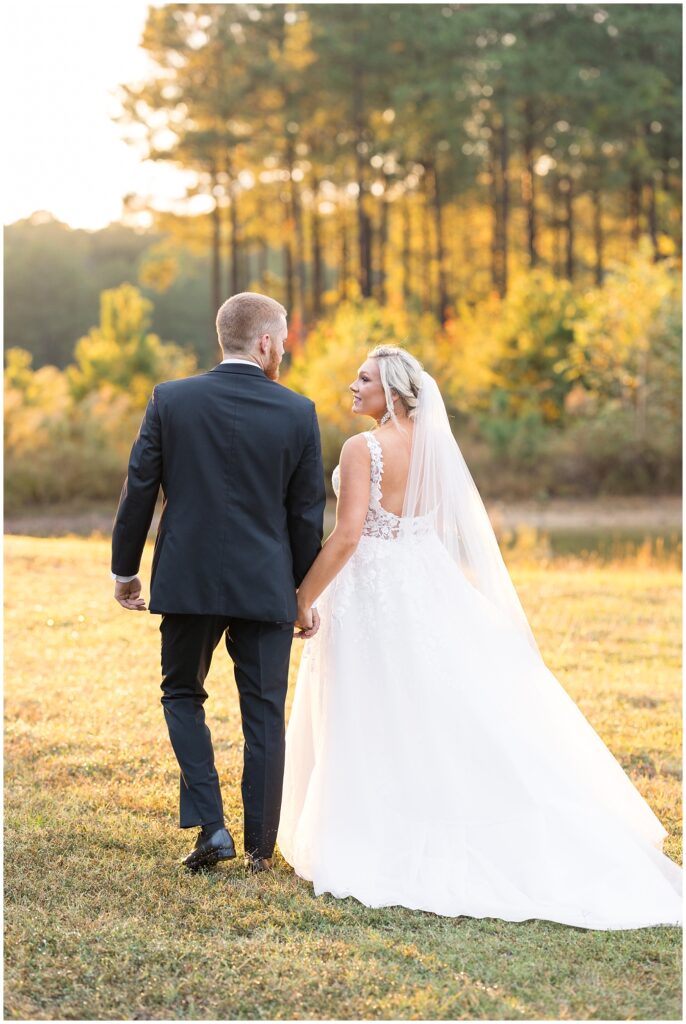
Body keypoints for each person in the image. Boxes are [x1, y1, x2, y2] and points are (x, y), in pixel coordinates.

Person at [277, 345, 682, 929]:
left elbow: (345, 538)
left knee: (370, 706)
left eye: (362, 379)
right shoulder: (436, 446)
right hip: (425, 580)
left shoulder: (362, 448)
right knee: (433, 708)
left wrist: (302, 599)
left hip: (372, 587)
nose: (351, 386)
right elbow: (436, 526)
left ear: (391, 391)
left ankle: (375, 834)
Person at [111, 292, 326, 873]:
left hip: (188, 578)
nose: (283, 348)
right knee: (263, 712)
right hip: (266, 586)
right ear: (264, 343)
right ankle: (260, 850)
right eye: (281, 339)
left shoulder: (171, 399)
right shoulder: (298, 411)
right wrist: (305, 596)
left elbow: (139, 488)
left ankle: (212, 828)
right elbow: (306, 518)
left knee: (182, 693)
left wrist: (125, 569)